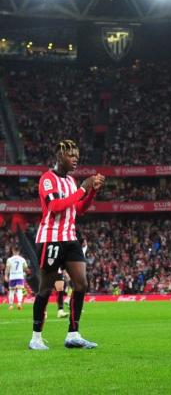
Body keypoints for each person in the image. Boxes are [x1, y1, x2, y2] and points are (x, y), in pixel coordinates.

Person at [29, 140, 105, 351]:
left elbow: (78, 209)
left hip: (70, 238)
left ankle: (73, 333)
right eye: (71, 156)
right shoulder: (47, 179)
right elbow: (55, 206)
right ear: (60, 156)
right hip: (51, 238)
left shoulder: (71, 182)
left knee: (81, 283)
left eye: (77, 158)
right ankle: (35, 337)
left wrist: (91, 192)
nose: (75, 160)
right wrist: (83, 188)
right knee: (45, 289)